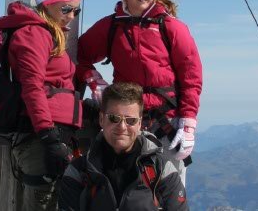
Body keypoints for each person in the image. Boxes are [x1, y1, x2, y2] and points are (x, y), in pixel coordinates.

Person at [77, 0, 202, 186]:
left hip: (166, 121)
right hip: (125, 121)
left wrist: (187, 124)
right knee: (126, 188)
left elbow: (191, 76)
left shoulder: (171, 28)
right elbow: (78, 55)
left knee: (167, 189)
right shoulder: (111, 26)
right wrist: (94, 80)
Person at [0, 0, 84, 210]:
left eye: (76, 9)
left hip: (52, 134)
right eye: (66, 9)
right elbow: (32, 87)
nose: (72, 16)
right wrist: (48, 137)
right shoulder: (33, 33)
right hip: (39, 138)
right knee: (42, 202)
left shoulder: (49, 34)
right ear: (48, 4)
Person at [59, 82, 189, 210]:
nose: (122, 127)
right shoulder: (79, 172)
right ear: (101, 119)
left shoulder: (161, 170)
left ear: (139, 124)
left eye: (130, 121)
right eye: (114, 118)